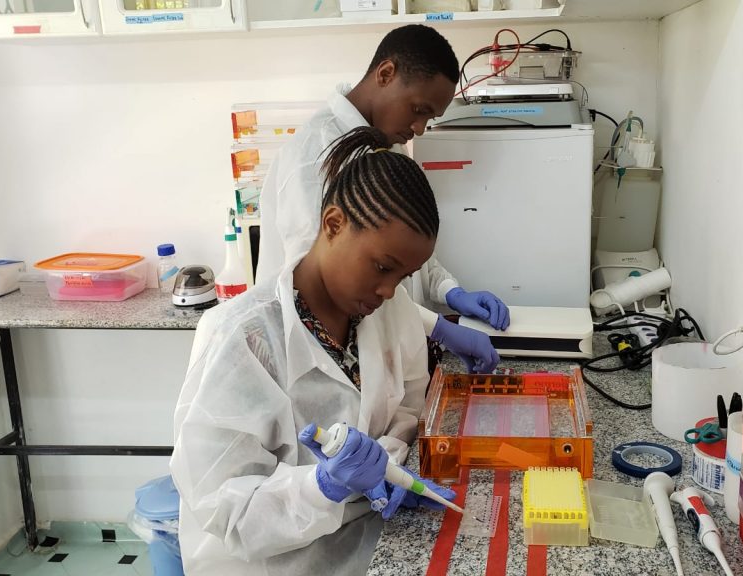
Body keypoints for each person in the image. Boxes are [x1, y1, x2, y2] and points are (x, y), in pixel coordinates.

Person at [171, 127, 456, 575]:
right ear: (334, 223)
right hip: (274, 564)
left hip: (364, 543)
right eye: (382, 267)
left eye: (403, 276)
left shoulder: (390, 310)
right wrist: (322, 486)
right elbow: (226, 512)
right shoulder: (242, 338)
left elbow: (408, 410)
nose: (388, 289)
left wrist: (390, 466)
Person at [256, 24, 509, 374]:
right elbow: (328, 285)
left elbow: (403, 248)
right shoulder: (313, 158)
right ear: (386, 74)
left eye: (431, 117)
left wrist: (450, 290)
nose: (420, 128)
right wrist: (438, 328)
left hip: (388, 350)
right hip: (317, 359)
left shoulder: (389, 145)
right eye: (418, 110)